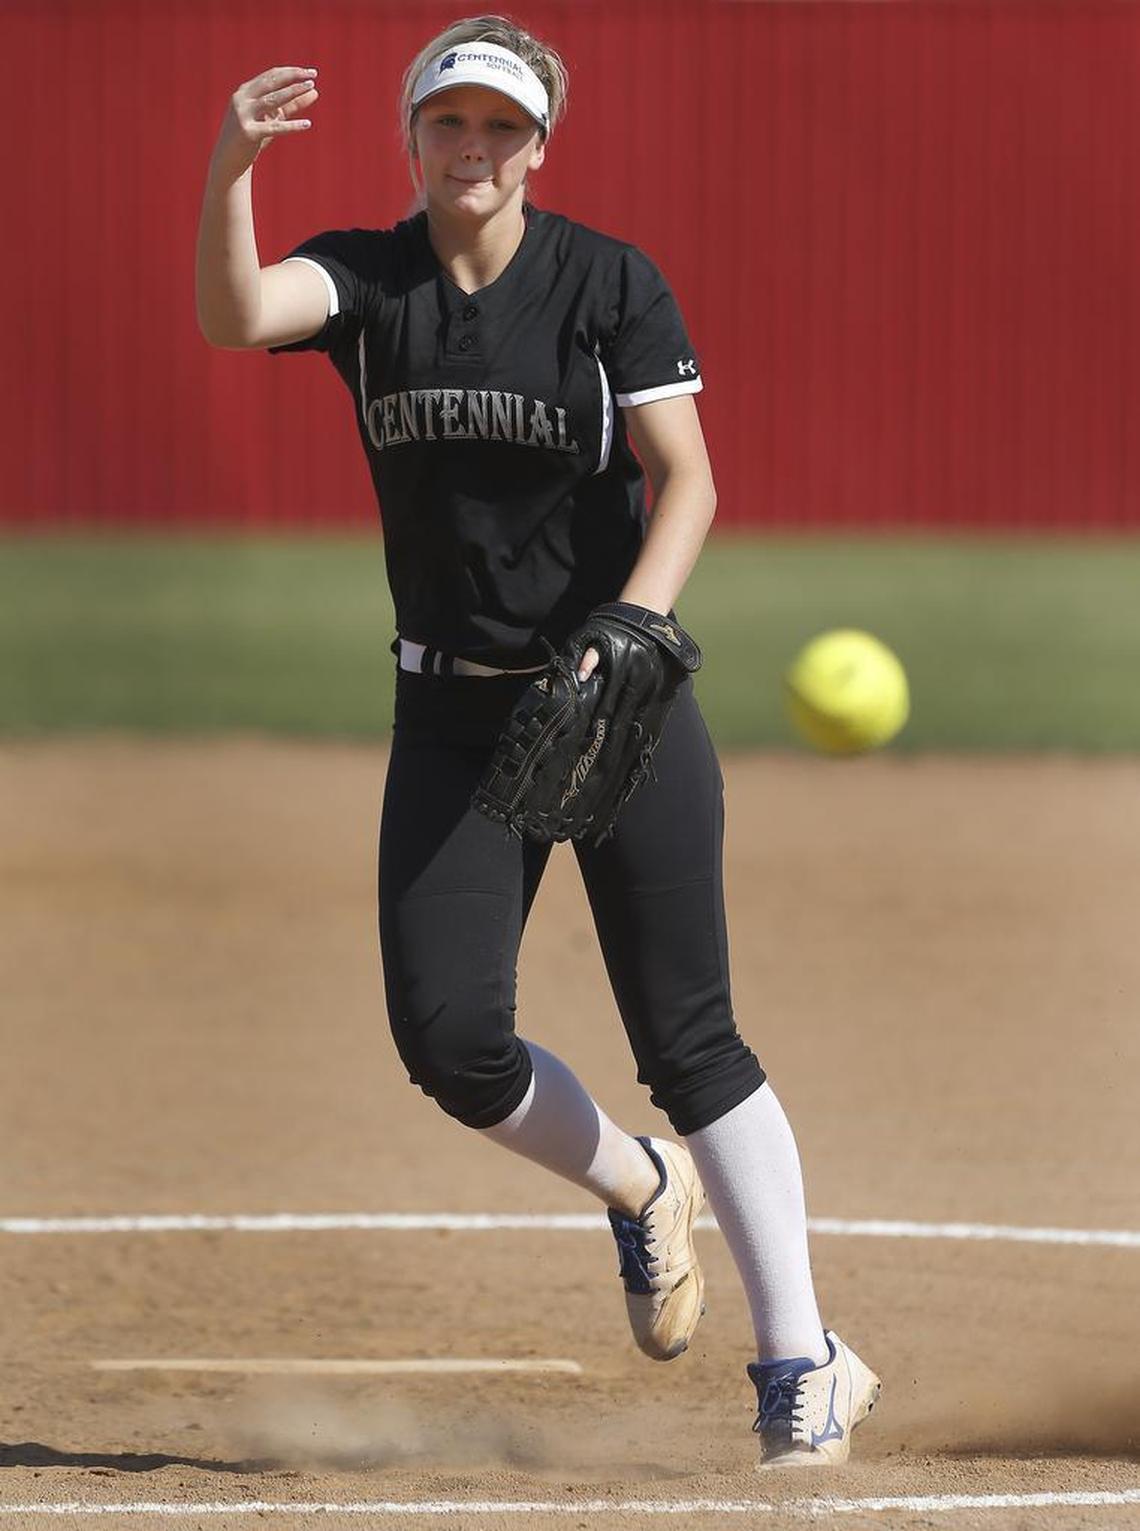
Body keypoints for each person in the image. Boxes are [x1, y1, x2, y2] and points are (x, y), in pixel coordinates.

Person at [195, 14, 880, 1467]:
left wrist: (631, 626)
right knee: (448, 1039)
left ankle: (803, 1365)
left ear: (539, 147)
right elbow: (237, 314)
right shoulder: (369, 278)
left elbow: (683, 477)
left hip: (610, 694)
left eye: (502, 126)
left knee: (690, 1040)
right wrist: (232, 168)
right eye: (451, 122)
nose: (476, 148)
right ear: (415, 140)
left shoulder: (604, 283)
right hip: (450, 706)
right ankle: (638, 1191)